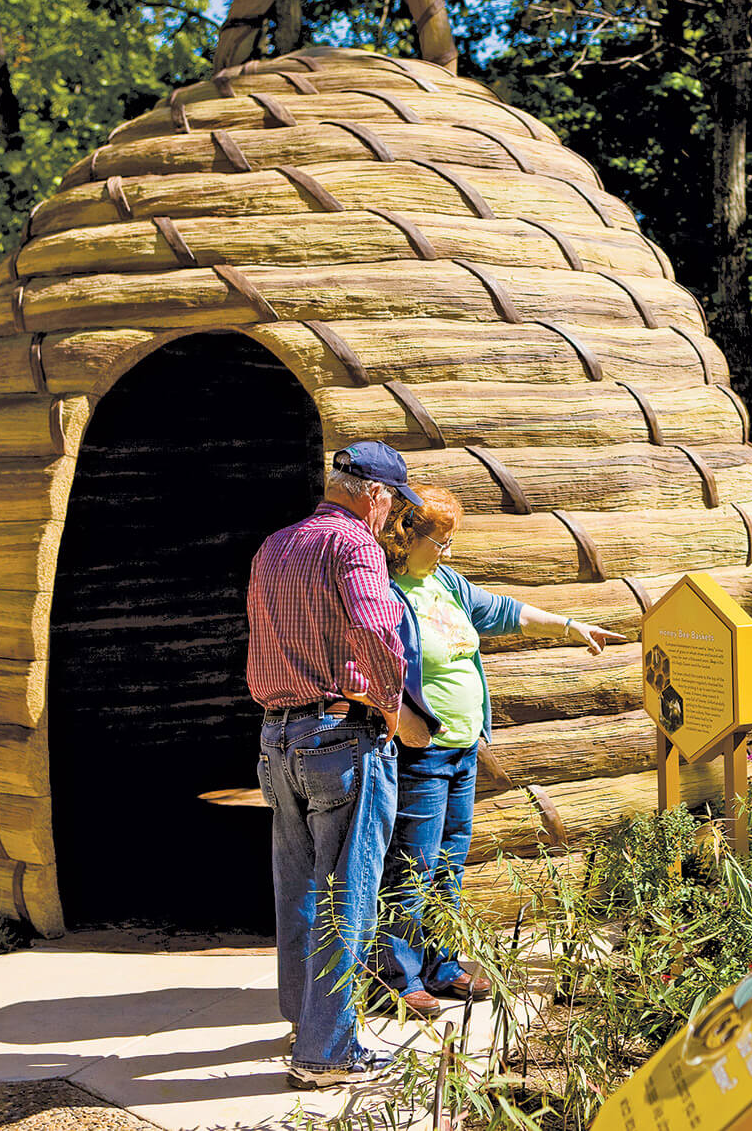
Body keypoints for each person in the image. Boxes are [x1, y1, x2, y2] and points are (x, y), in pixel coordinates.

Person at [374, 484, 625, 1017]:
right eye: (441, 540)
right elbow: (370, 663)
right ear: (407, 532)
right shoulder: (387, 592)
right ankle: (397, 977)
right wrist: (402, 717)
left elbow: (505, 610)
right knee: (413, 864)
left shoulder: (446, 582)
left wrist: (571, 626)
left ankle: (441, 965)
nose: (448, 549)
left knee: (450, 862)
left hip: (464, 748)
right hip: (423, 752)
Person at [245, 440, 421, 1090]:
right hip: (341, 738)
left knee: (298, 893)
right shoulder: (354, 546)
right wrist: (391, 705)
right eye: (394, 507)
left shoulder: (275, 546)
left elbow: (260, 634)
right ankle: (327, 1054)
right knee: (346, 895)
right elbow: (379, 633)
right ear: (373, 494)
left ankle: (306, 1024)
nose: (393, 521)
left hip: (277, 739)